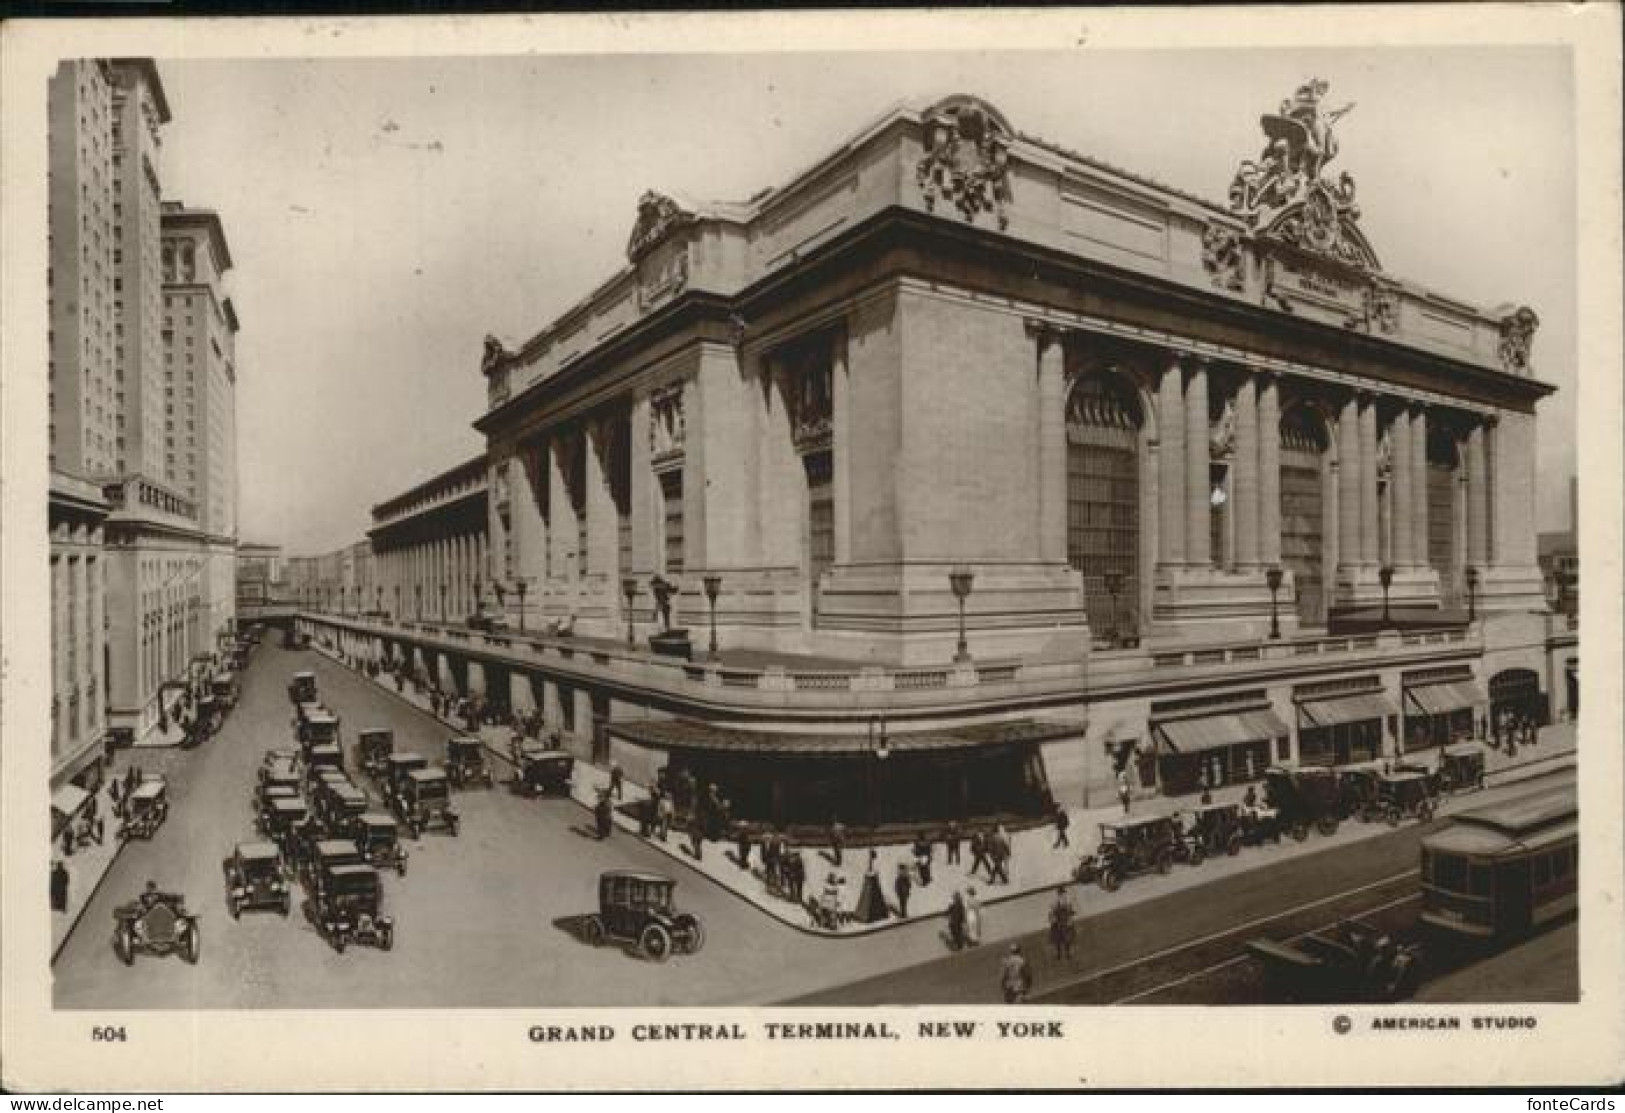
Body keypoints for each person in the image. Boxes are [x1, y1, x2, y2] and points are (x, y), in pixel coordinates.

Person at [1048, 885, 1077, 961]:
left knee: (1067, 939)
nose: (1063, 893)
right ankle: (1059, 955)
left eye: (1063, 892)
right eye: (1062, 892)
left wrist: (1070, 914)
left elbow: (1069, 909)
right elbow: (1053, 911)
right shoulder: (1056, 900)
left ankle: (1066, 954)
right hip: (1059, 921)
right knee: (1058, 939)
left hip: (1064, 921)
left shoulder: (1066, 899)